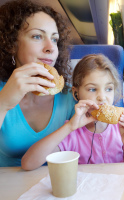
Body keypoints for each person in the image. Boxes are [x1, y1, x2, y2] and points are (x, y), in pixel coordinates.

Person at [21, 54, 124, 170]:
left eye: (108, 89)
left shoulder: (120, 127)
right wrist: (70, 127)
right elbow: (28, 164)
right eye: (92, 89)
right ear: (76, 93)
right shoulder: (73, 131)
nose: (102, 97)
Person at [0, 0, 76, 166]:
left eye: (55, 39)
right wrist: (3, 103)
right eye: (37, 36)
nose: (51, 48)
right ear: (12, 44)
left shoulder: (69, 95)